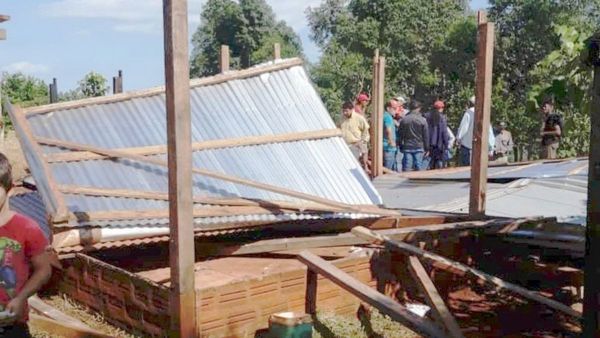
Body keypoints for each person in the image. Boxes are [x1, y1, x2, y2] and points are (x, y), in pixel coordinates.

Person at [0, 153, 51, 337]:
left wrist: (22, 297)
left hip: (13, 323)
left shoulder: (27, 228)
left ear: (10, 189)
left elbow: (44, 269)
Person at [456, 96, 495, 166]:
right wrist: (491, 147)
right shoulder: (483, 113)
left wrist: (458, 139)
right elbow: (489, 131)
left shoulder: (468, 113)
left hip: (467, 147)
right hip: (480, 148)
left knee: (465, 169)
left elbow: (463, 128)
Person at [398, 100, 429, 171]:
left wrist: (400, 145)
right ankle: (419, 181)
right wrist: (427, 148)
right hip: (419, 146)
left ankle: (406, 181)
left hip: (407, 146)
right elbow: (426, 135)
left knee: (407, 167)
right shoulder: (422, 120)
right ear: (419, 108)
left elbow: (400, 134)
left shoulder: (404, 120)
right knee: (419, 166)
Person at [340, 101, 370, 170]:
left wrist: (361, 142)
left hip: (356, 145)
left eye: (346, 111)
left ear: (351, 109)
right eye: (343, 111)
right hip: (345, 145)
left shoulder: (359, 118)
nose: (345, 113)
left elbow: (366, 132)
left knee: (354, 164)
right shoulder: (342, 118)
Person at [425, 100, 450, 169]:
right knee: (439, 162)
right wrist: (446, 144)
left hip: (428, 143)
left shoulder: (426, 116)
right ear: (441, 108)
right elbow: (444, 132)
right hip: (439, 144)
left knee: (429, 161)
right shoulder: (442, 118)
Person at [383, 100, 399, 171]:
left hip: (386, 146)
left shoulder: (385, 116)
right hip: (389, 147)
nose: (396, 110)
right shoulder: (388, 117)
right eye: (394, 108)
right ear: (388, 108)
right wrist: (391, 141)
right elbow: (388, 129)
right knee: (388, 170)